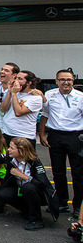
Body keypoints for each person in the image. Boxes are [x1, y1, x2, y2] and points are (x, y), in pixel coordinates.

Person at [38, 69, 83, 216]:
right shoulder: (50, 95)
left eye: (69, 80)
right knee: (58, 171)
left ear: (73, 81)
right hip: (55, 136)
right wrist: (42, 134)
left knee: (78, 172)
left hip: (75, 136)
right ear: (56, 81)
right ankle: (62, 203)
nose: (66, 82)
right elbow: (45, 115)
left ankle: (78, 206)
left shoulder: (80, 96)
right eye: (62, 79)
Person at [0, 70, 43, 147]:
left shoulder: (36, 98)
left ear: (29, 83)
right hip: (7, 133)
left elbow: (18, 113)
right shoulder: (11, 92)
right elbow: (3, 109)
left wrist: (14, 93)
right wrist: (9, 92)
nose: (16, 81)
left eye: (20, 79)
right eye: (16, 78)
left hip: (24, 137)